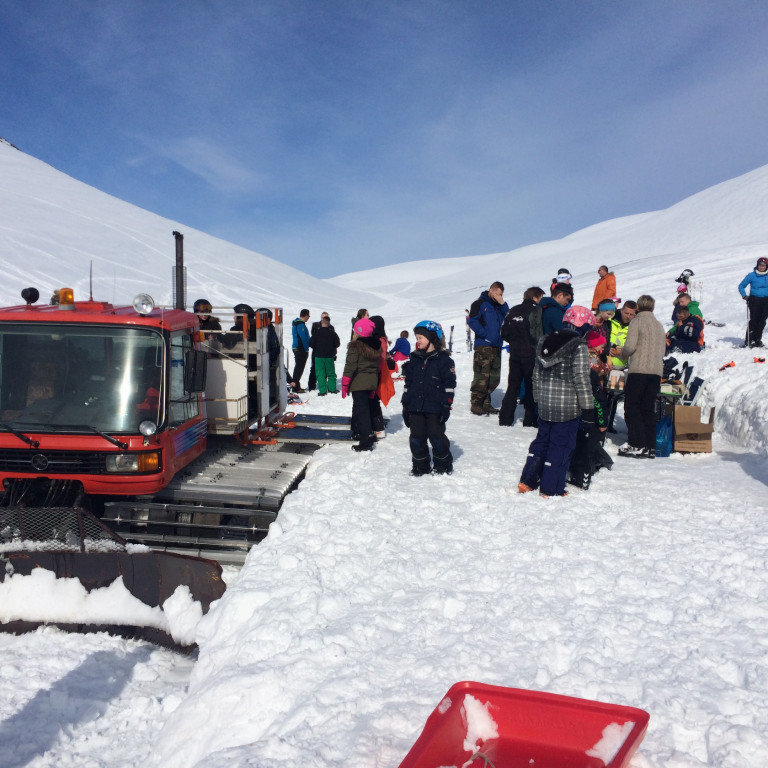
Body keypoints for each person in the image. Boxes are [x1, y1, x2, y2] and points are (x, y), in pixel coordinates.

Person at [518, 306, 594, 498]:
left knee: (542, 441)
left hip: (545, 404)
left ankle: (528, 480)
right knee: (561, 446)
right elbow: (581, 379)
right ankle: (551, 488)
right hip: (567, 408)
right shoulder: (579, 346)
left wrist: (537, 400)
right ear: (583, 326)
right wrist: (588, 408)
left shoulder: (545, 340)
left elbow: (535, 375)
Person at [401, 321, 456, 475]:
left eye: (420, 338)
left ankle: (443, 464)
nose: (417, 341)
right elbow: (408, 384)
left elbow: (449, 385)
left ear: (432, 338)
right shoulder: (414, 360)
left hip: (435, 407)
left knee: (436, 436)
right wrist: (406, 405)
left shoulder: (444, 361)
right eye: (416, 338)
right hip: (415, 406)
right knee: (416, 438)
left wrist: (446, 405)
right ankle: (420, 465)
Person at [617, 295, 666, 459]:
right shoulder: (659, 326)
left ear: (638, 307)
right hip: (656, 371)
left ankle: (637, 444)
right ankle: (650, 445)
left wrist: (622, 353)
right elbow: (663, 351)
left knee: (632, 406)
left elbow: (630, 346)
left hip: (639, 369)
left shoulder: (637, 322)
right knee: (647, 408)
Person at [568, 330, 613, 490]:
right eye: (599, 347)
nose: (600, 351)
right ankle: (585, 471)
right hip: (588, 412)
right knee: (585, 445)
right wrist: (602, 420)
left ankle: (587, 471)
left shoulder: (582, 361)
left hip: (582, 412)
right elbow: (597, 400)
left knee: (584, 445)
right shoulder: (587, 365)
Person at [499, 286, 545, 427]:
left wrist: (514, 341)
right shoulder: (537, 311)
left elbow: (504, 332)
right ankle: (529, 419)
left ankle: (505, 418)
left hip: (515, 353)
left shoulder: (513, 310)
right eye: (541, 298)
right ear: (535, 297)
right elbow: (539, 333)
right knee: (531, 386)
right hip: (531, 354)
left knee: (513, 386)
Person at [467, 281, 509, 415]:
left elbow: (508, 317)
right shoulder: (479, 303)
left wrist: (502, 303)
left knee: (493, 377)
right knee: (482, 375)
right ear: (491, 290)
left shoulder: (498, 306)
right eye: (497, 293)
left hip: (497, 345)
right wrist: (485, 335)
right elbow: (472, 321)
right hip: (484, 345)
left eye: (501, 294)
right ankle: (476, 403)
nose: (498, 296)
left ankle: (486, 403)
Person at [341, 317, 380, 452]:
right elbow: (376, 368)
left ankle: (365, 442)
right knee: (364, 409)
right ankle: (362, 432)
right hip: (371, 382)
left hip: (359, 383)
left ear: (358, 332)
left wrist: (345, 385)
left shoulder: (355, 346)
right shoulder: (376, 346)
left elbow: (350, 367)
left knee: (362, 411)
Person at [738, 256, 768, 347]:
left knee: (762, 321)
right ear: (757, 265)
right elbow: (741, 286)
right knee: (754, 320)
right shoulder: (751, 275)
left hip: (766, 300)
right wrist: (744, 296)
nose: (761, 267)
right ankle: (749, 340)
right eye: (760, 265)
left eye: (763, 265)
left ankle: (757, 339)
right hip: (754, 300)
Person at [309, 315, 340, 395]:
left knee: (320, 373)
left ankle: (322, 391)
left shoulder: (317, 333)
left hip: (319, 356)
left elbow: (311, 343)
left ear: (322, 322)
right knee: (331, 373)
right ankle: (332, 389)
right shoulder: (332, 333)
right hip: (329, 356)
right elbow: (337, 343)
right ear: (329, 323)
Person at [607, 300, 638, 369]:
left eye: (631, 314)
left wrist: (624, 352)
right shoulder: (609, 320)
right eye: (626, 313)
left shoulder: (635, 328)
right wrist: (607, 349)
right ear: (621, 310)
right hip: (603, 364)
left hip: (620, 368)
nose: (628, 316)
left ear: (634, 315)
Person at [291, 309, 311, 391]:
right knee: (299, 368)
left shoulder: (298, 323)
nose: (309, 317)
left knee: (298, 368)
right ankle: (295, 387)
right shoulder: (300, 325)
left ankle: (296, 385)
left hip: (298, 348)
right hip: (300, 348)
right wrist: (307, 346)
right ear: (305, 315)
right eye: (308, 315)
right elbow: (303, 338)